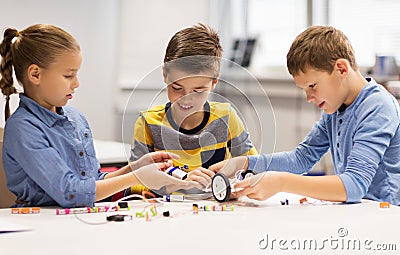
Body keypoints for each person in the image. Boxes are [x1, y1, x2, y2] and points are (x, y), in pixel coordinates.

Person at [0, 24, 195, 208]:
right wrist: (138, 177)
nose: (76, 83)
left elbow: (92, 184)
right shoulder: (23, 128)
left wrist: (135, 168)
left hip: (77, 221)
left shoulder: (76, 119)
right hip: (40, 224)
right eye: (68, 76)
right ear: (35, 74)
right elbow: (71, 193)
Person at [209, 26, 400, 205]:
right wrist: (245, 163)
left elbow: (355, 185)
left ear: (341, 69)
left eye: (312, 86)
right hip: (360, 212)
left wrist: (281, 182)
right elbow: (301, 158)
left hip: (386, 216)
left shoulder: (377, 107)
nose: (309, 97)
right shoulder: (336, 107)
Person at [128, 23, 257, 195]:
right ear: (165, 74)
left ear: (214, 82)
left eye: (198, 90)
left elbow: (253, 169)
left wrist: (236, 181)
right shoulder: (148, 124)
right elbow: (132, 184)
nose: (186, 98)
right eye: (177, 88)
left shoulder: (226, 117)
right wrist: (181, 183)